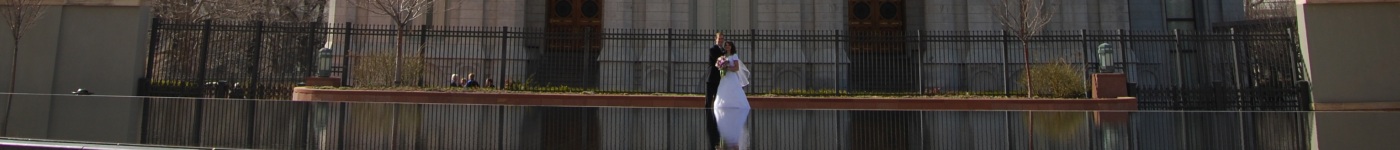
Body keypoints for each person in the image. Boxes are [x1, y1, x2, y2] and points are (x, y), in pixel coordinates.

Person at [712, 41, 750, 150]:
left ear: (732, 47)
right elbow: (720, 65)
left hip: (732, 77)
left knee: (734, 91)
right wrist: (721, 66)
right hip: (725, 78)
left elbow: (736, 68)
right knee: (723, 92)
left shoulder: (734, 56)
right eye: (726, 45)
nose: (727, 46)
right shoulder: (723, 56)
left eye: (729, 45)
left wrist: (727, 67)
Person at [703, 32, 727, 149]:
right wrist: (724, 57)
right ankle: (708, 119)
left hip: (719, 79)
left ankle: (716, 121)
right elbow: (717, 58)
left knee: (718, 100)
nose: (720, 40)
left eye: (722, 39)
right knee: (709, 100)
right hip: (711, 78)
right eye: (719, 39)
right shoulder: (713, 49)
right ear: (715, 39)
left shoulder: (723, 50)